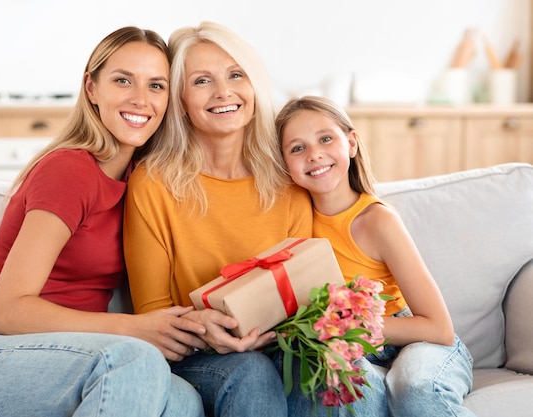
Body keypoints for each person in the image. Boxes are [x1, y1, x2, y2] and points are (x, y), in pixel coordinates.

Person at [0, 26, 206, 417]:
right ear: (92, 88)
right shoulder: (70, 170)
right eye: (123, 80)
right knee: (136, 362)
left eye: (157, 86)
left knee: (185, 400)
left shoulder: (145, 182)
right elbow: (9, 312)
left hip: (74, 352)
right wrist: (136, 328)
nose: (141, 99)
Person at [123, 21, 387, 417]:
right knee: (251, 372)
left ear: (254, 84)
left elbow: (305, 295)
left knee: (334, 373)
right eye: (202, 81)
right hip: (197, 356)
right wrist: (202, 327)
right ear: (180, 97)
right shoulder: (154, 183)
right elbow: (152, 312)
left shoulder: (289, 178)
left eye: (235, 75)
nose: (223, 92)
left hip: (281, 346)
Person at [276, 95, 476, 416]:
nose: (314, 155)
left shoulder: (377, 220)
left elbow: (438, 328)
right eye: (297, 148)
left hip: (415, 342)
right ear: (283, 161)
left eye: (325, 139)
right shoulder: (289, 223)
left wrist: (348, 326)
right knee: (348, 386)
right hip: (352, 349)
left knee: (414, 389)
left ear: (351, 143)